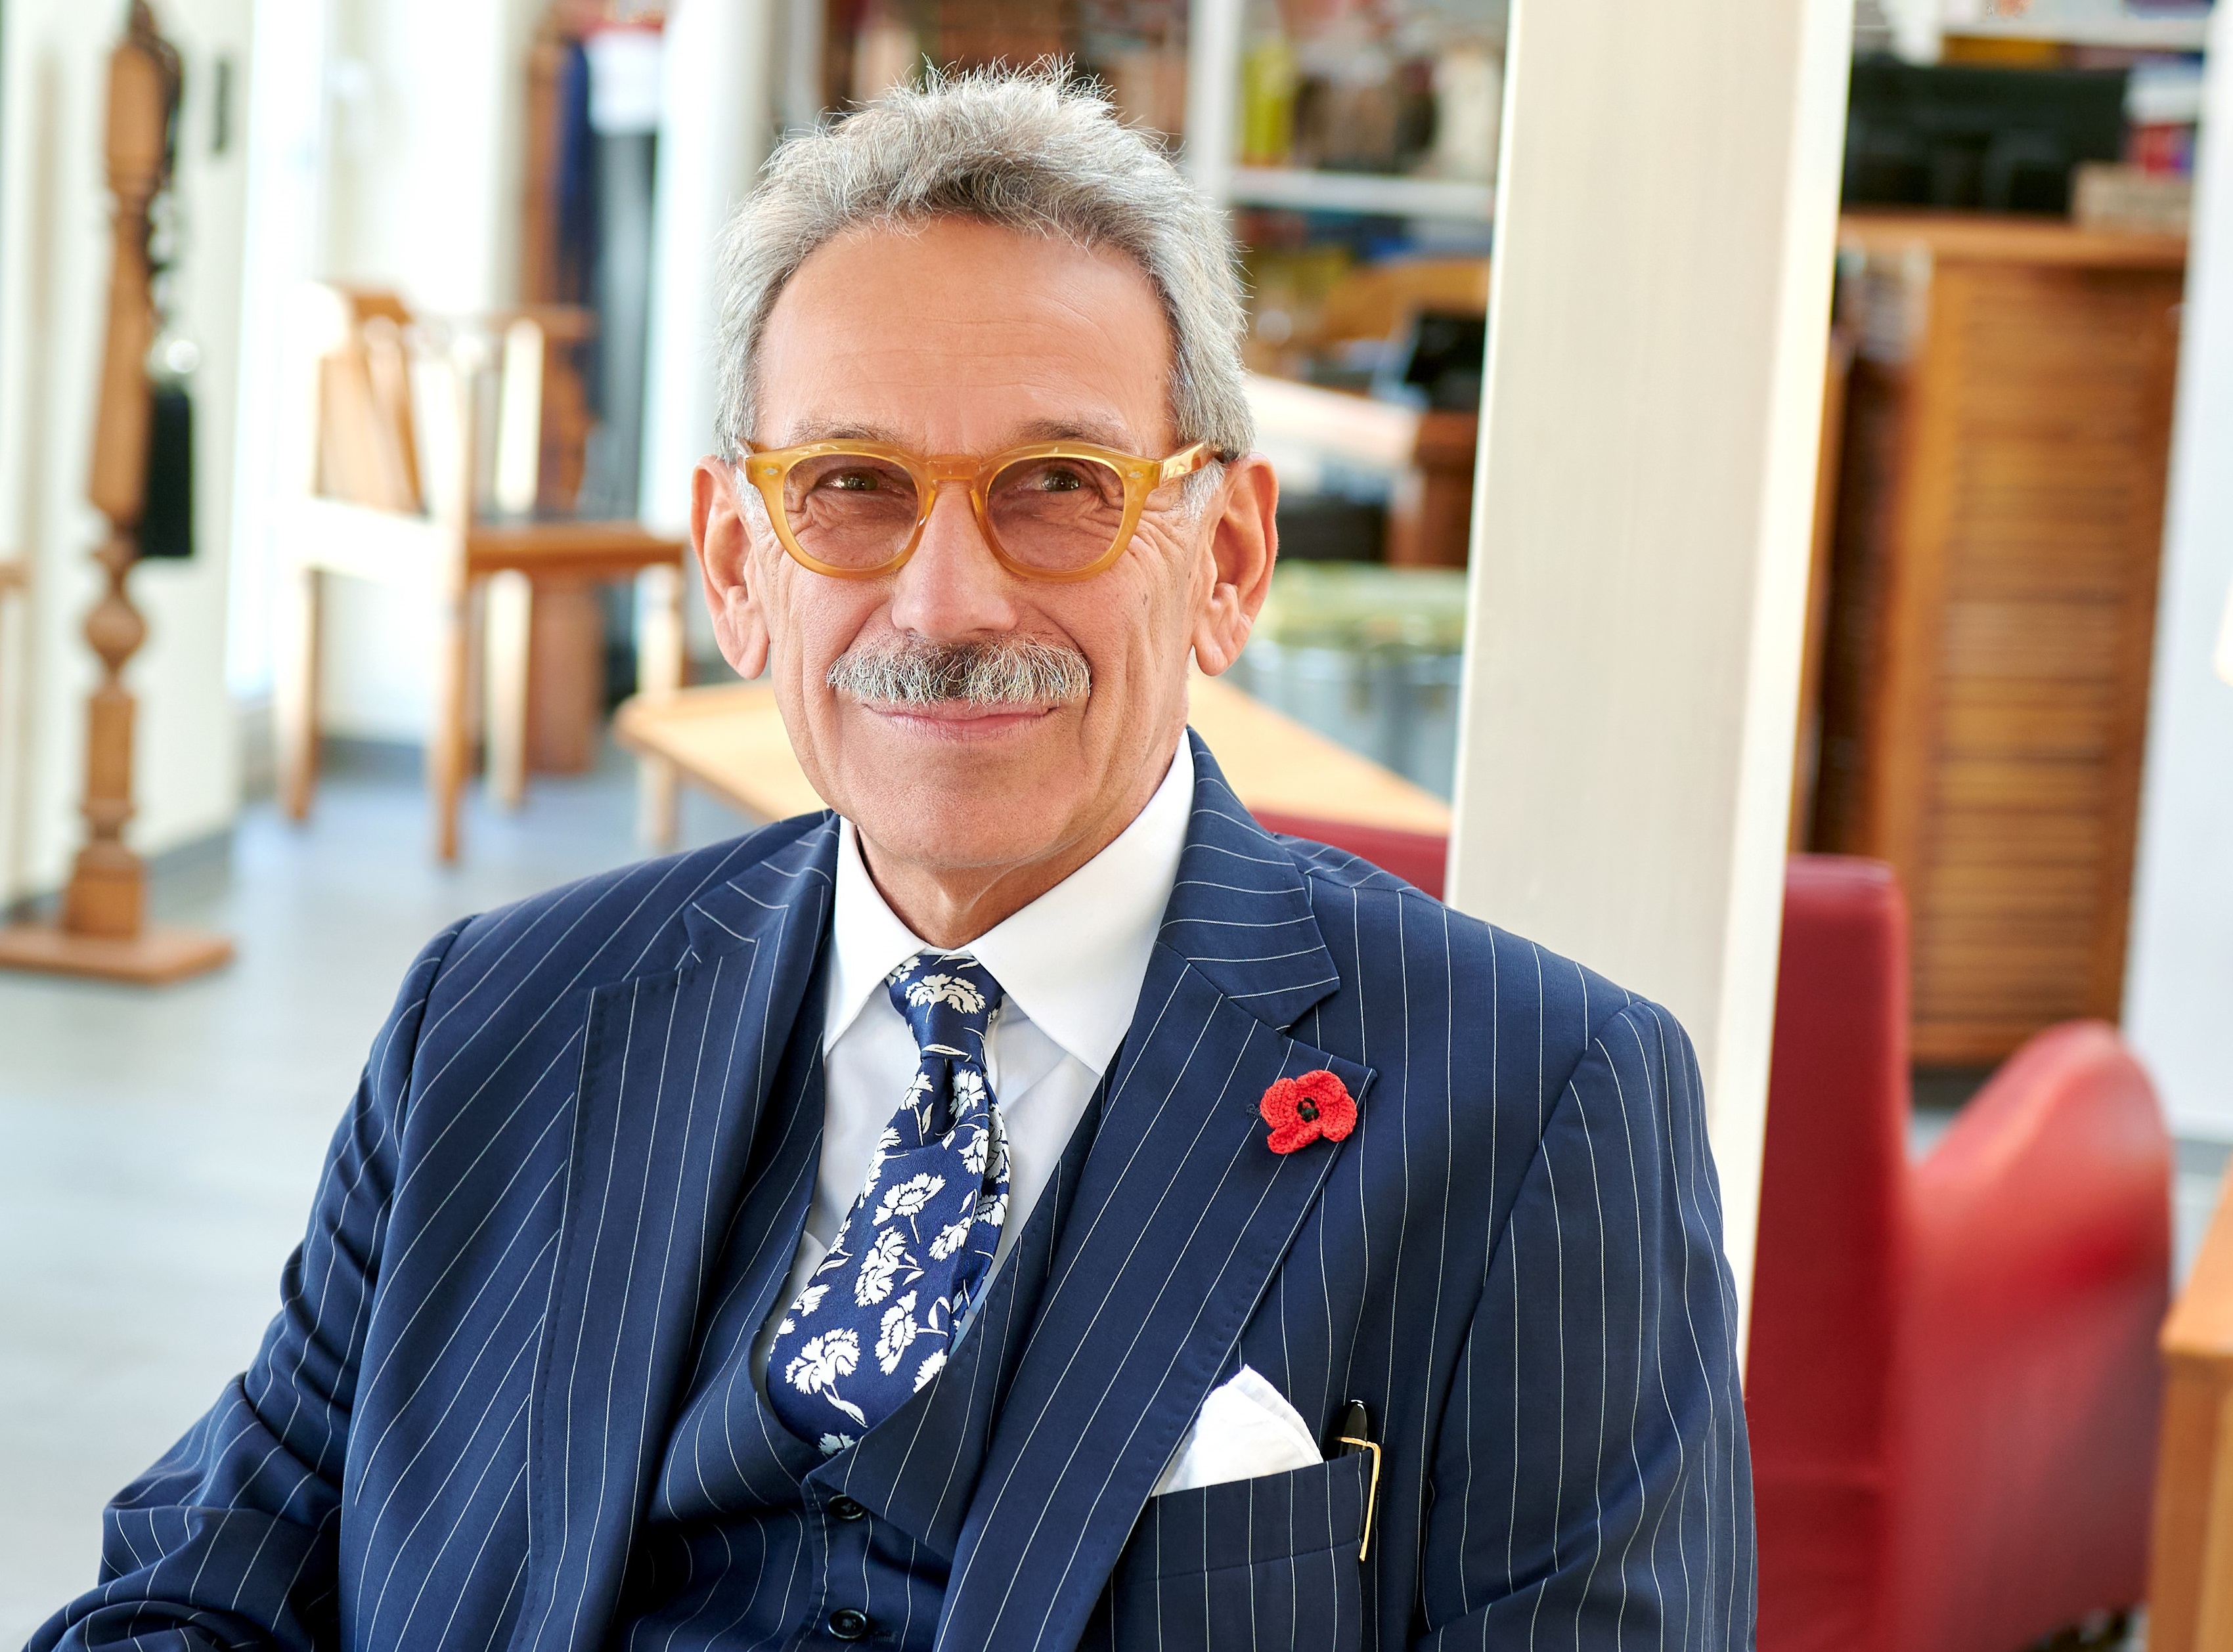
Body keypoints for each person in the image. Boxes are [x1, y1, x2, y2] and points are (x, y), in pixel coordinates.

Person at [32, 67, 1752, 1652]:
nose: (947, 603)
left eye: (1059, 485)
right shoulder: (492, 1016)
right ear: (737, 566)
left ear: (1226, 558)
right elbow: (200, 1584)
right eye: (851, 486)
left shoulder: (1539, 1105)